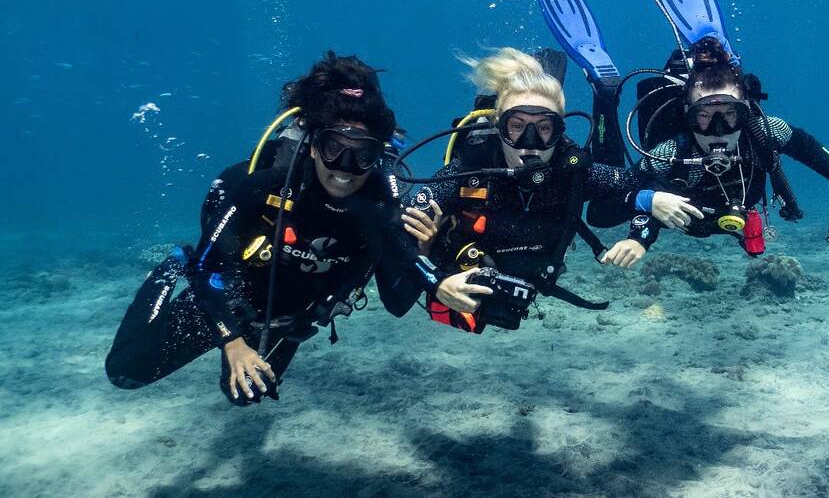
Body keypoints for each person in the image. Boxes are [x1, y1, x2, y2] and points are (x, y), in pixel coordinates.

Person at [106, 52, 446, 405]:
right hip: (227, 299)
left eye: (362, 154)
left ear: (377, 156)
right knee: (126, 372)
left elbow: (396, 304)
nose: (345, 168)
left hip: (288, 320)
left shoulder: (379, 210)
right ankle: (169, 267)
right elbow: (207, 268)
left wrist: (422, 251)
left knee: (243, 395)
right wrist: (233, 343)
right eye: (333, 148)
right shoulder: (260, 186)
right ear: (313, 145)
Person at [402, 47, 648, 334]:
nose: (529, 142)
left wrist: (641, 231)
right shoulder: (469, 171)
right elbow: (396, 229)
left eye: (544, 128)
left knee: (606, 182)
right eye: (516, 126)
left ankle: (604, 98)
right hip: (471, 271)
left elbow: (637, 182)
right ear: (499, 127)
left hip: (531, 276)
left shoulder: (571, 172)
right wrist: (435, 278)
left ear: (559, 131)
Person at [612, 41, 829, 263]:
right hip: (691, 225)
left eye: (730, 115)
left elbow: (813, 151)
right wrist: (645, 216)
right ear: (688, 116)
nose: (718, 130)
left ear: (745, 113)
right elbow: (601, 211)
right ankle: (605, 93)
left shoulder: (765, 132)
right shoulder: (672, 152)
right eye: (704, 116)